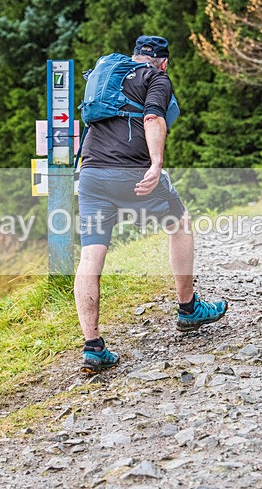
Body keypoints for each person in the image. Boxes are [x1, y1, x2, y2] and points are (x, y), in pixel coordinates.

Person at [75, 35, 228, 373]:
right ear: (164, 61)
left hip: (90, 174)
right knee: (181, 222)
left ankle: (93, 348)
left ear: (133, 56)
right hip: (130, 174)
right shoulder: (155, 77)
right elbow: (153, 119)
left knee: (90, 255)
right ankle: (188, 309)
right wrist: (156, 163)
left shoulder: (110, 75)